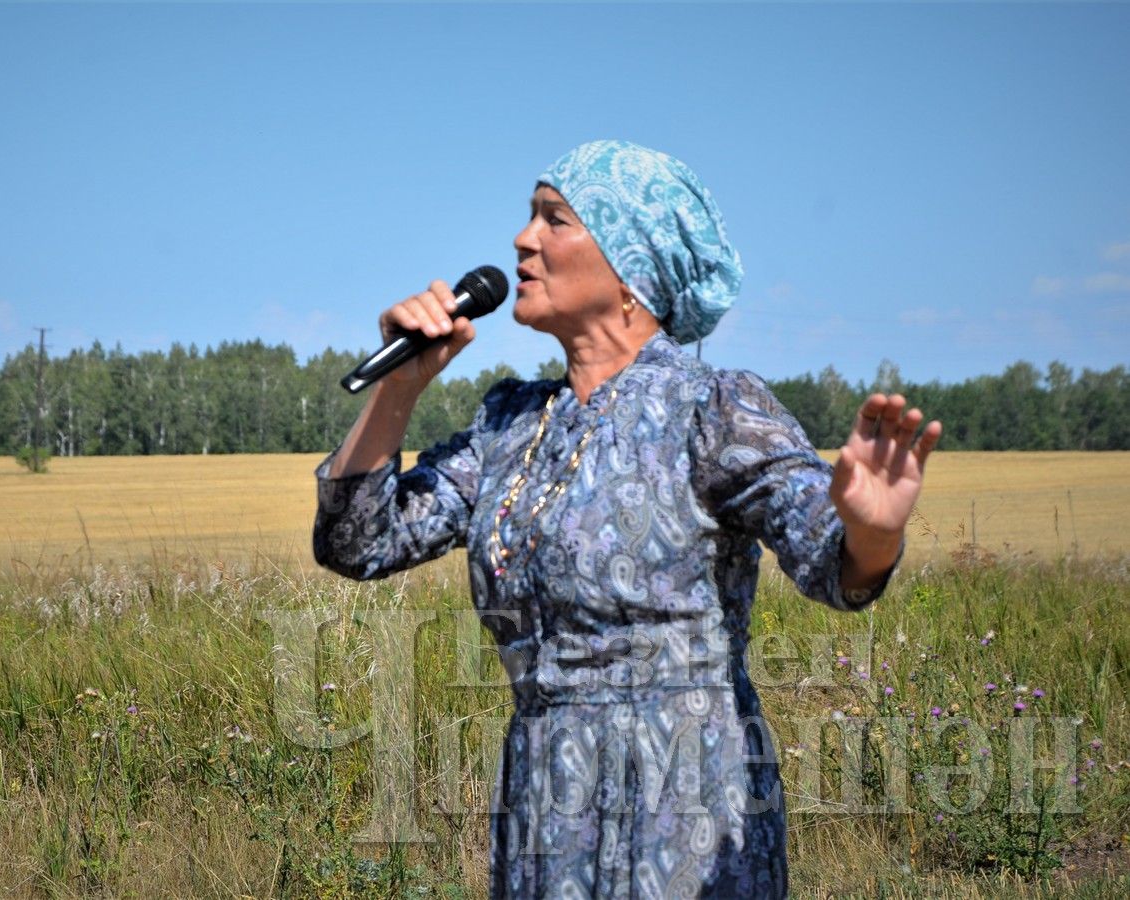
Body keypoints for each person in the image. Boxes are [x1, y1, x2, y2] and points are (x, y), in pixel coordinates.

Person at [313, 140, 941, 899]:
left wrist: (872, 529)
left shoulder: (712, 408)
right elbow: (358, 542)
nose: (523, 239)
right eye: (528, 218)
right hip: (545, 803)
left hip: (685, 805)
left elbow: (831, 561)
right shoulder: (508, 423)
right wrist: (400, 386)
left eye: (555, 220)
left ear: (629, 267)